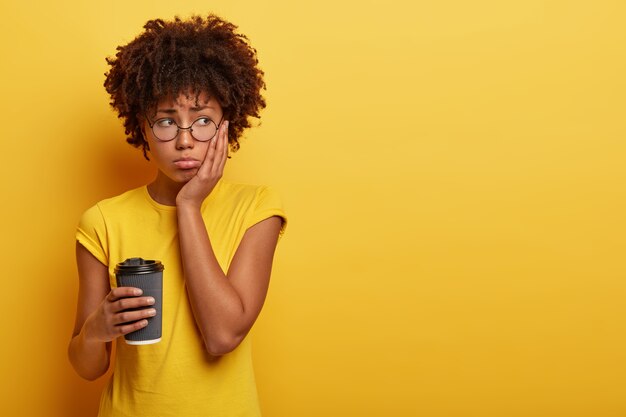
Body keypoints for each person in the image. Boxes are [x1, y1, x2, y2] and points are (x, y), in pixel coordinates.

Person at [68, 14, 287, 417]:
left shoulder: (257, 209)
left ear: (228, 123)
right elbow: (89, 367)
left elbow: (222, 336)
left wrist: (188, 206)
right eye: (167, 121)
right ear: (143, 127)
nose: (185, 141)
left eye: (202, 120)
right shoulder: (101, 221)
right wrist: (97, 329)